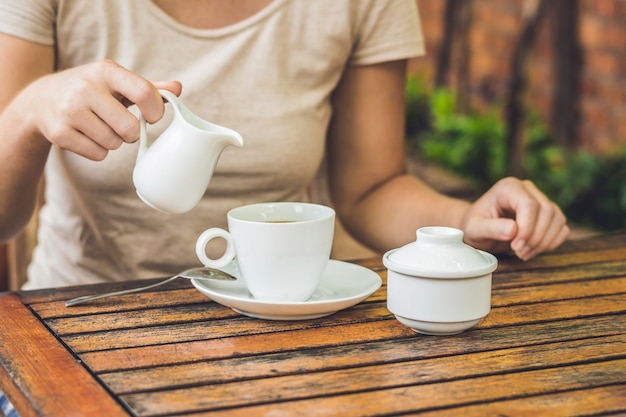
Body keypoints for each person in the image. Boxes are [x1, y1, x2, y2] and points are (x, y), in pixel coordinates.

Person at [0, 0, 569, 291]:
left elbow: (371, 189)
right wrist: (28, 112)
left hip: (283, 320)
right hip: (83, 316)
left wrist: (462, 224)